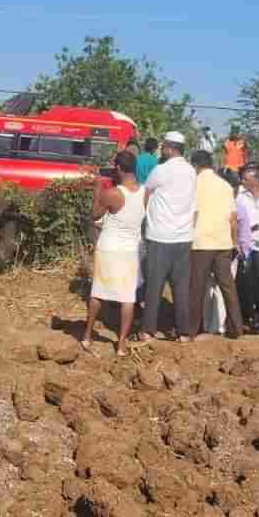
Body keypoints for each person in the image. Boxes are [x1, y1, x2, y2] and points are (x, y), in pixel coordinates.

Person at [81, 150, 145, 355]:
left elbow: (94, 215)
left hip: (109, 248)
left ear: (118, 168)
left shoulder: (113, 194)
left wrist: (98, 187)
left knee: (98, 294)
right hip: (130, 249)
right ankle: (121, 345)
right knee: (127, 298)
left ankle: (87, 336)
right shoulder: (145, 192)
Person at [139, 132, 197, 342]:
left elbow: (145, 194)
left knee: (154, 285)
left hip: (160, 236)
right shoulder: (191, 171)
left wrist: (146, 219)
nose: (161, 149)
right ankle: (183, 332)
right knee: (180, 287)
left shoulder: (161, 170)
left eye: (164, 146)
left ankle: (148, 330)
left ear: (170, 148)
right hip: (183, 236)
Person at [188, 150, 242, 340]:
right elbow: (233, 219)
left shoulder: (194, 184)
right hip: (223, 241)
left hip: (201, 241)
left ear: (195, 165)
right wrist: (234, 242)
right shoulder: (226, 186)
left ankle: (192, 330)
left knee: (197, 287)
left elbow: (193, 214)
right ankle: (236, 328)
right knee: (228, 286)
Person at [236, 164, 259, 331]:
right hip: (247, 246)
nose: (242, 181)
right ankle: (249, 315)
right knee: (246, 283)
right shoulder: (240, 198)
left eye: (245, 179)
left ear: (256, 181)